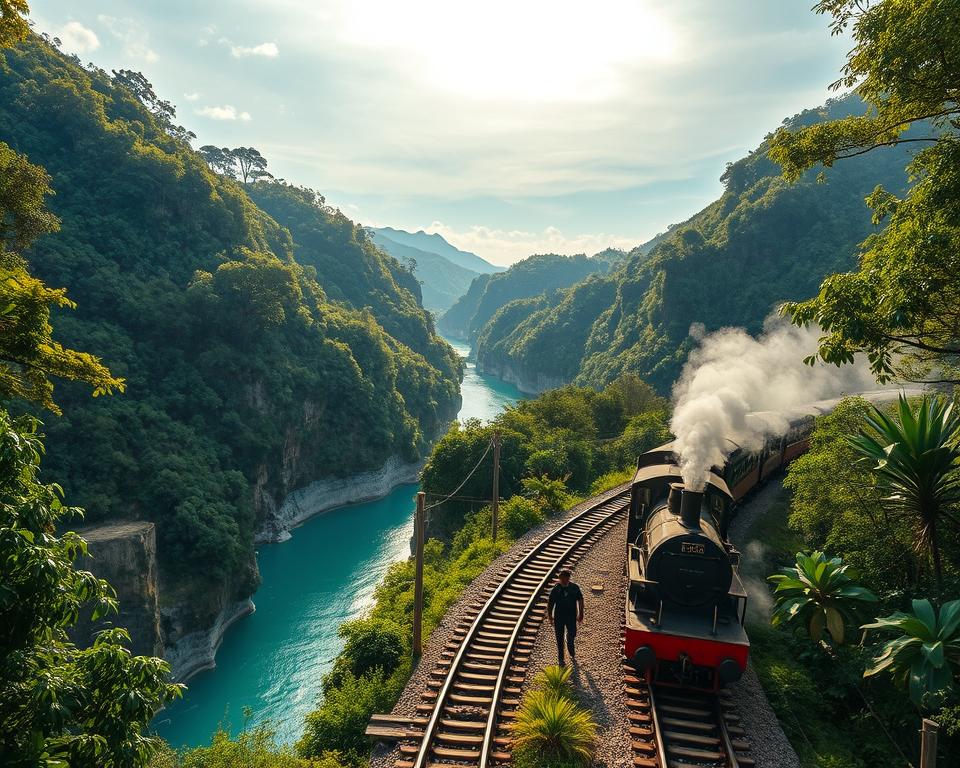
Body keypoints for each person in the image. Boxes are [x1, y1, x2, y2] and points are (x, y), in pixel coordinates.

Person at [547, 568, 584, 665]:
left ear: (569, 578)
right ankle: (561, 659)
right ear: (559, 578)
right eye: (562, 579)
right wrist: (550, 616)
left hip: (571, 616)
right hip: (559, 617)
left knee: (572, 634)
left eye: (566, 579)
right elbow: (550, 603)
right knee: (559, 637)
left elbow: (580, 600)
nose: (564, 581)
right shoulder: (556, 590)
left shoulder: (574, 588)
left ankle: (570, 648)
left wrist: (581, 613)